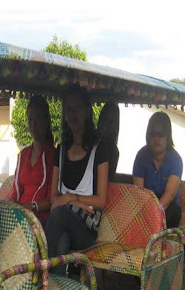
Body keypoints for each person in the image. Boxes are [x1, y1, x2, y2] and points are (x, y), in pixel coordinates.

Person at [45, 85, 109, 275]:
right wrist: (69, 202)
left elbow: (100, 201)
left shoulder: (100, 149)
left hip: (87, 230)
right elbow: (53, 199)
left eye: (77, 109)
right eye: (69, 109)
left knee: (59, 215)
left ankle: (40, 277)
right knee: (62, 240)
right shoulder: (61, 149)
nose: (72, 114)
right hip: (65, 225)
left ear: (87, 111)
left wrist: (70, 198)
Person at [132, 111, 183, 228]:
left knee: (174, 211)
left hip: (168, 209)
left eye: (161, 134)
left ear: (168, 136)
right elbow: (139, 192)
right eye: (153, 134)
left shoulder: (175, 159)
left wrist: (154, 215)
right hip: (145, 205)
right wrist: (146, 213)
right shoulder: (141, 156)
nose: (157, 138)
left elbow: (169, 195)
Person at [10, 95, 55, 224]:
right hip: (20, 214)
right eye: (30, 120)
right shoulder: (23, 155)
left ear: (46, 121)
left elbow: (52, 199)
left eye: (38, 119)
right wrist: (13, 206)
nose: (33, 125)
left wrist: (31, 207)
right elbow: (16, 191)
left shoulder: (53, 155)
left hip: (40, 217)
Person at [97, 101, 120, 181]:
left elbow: (107, 180)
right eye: (105, 119)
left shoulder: (113, 152)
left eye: (111, 122)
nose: (106, 125)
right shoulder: (90, 140)